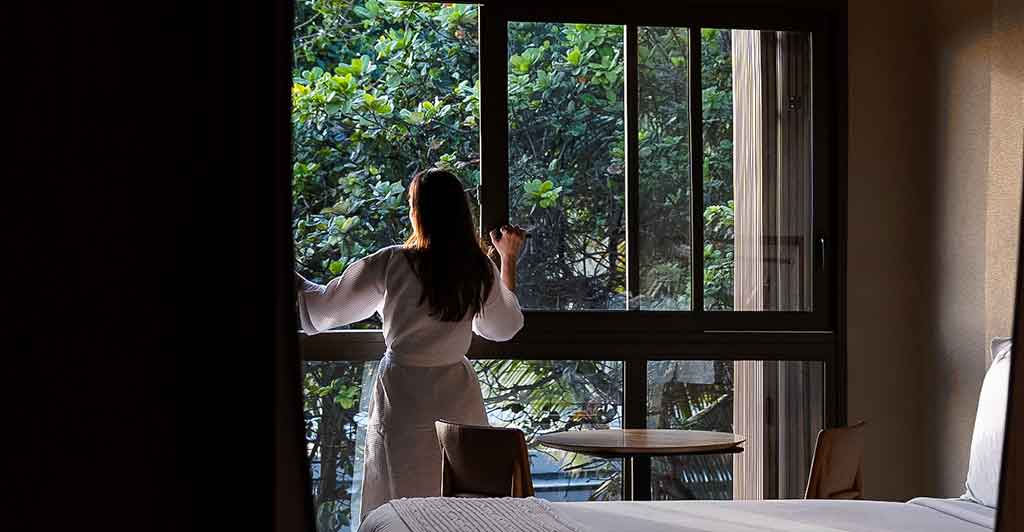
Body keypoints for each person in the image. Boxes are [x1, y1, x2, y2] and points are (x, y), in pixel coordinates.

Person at [294, 168, 526, 518]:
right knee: (458, 500)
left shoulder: (393, 263)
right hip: (457, 395)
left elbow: (325, 308)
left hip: (402, 395)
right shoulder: (476, 269)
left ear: (419, 212)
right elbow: (504, 326)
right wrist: (507, 259)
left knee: (398, 495)